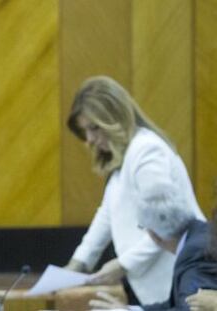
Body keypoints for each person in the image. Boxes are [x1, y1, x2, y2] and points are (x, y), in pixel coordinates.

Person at [65, 75, 205, 304]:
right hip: (155, 285)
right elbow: (107, 215)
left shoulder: (147, 151)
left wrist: (123, 264)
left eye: (94, 128)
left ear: (114, 118)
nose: (89, 139)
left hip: (177, 279)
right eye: (85, 131)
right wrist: (77, 264)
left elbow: (166, 226)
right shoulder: (125, 157)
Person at [88, 183, 217, 310]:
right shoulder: (201, 233)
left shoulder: (195, 252)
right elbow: (175, 304)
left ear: (153, 234)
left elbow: (191, 308)